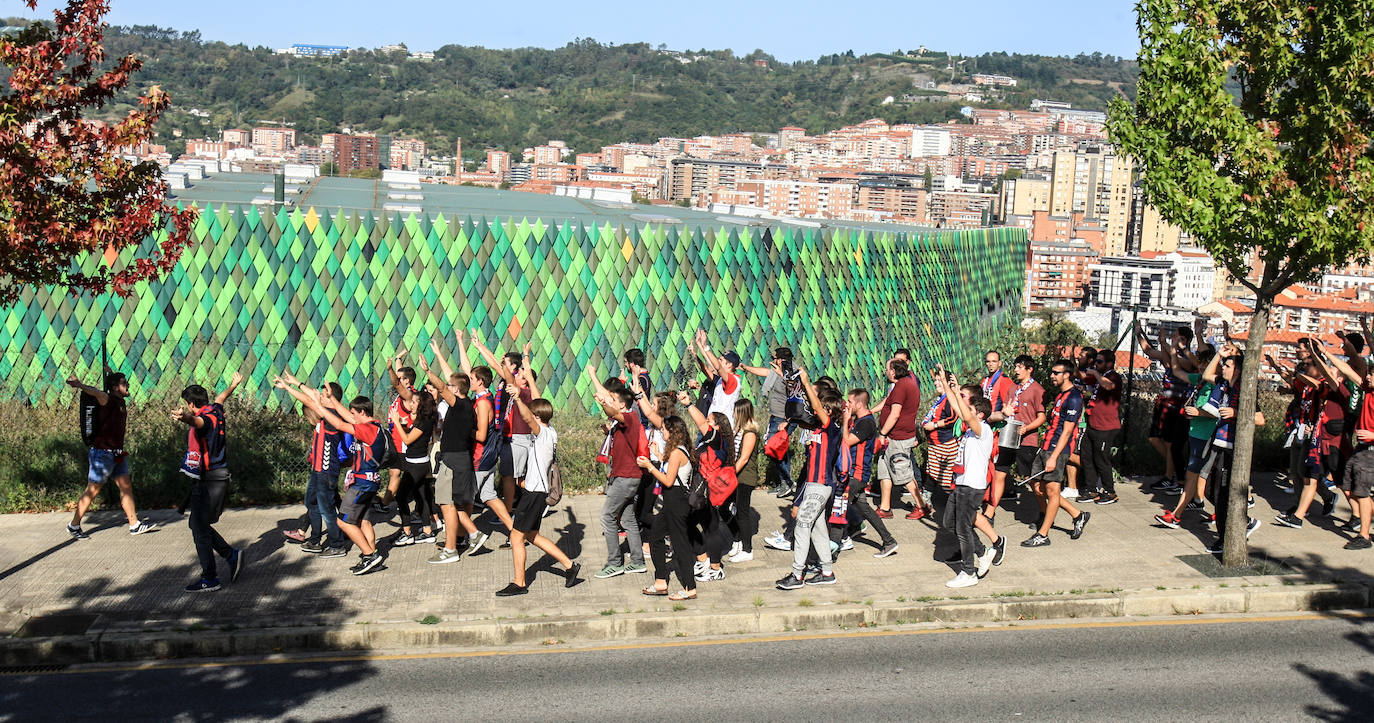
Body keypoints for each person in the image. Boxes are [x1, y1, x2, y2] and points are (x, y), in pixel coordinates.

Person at [296, 386, 389, 576]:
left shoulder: (366, 430)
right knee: (363, 520)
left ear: (362, 413)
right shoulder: (375, 426)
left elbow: (339, 424)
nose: (352, 416)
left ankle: (370, 555)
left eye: (354, 413)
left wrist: (321, 408)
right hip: (371, 482)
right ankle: (370, 555)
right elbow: (345, 416)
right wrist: (332, 401)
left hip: (362, 484)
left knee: (344, 522)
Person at [495, 394, 582, 595]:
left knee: (516, 537)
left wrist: (517, 399)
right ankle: (570, 566)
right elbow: (535, 404)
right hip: (537, 492)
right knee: (532, 535)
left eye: (532, 416)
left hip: (534, 494)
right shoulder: (551, 431)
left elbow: (527, 417)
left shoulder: (542, 432)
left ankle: (519, 583)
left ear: (537, 417)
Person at [174, 372, 244, 592]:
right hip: (212, 477)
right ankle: (230, 556)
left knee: (199, 526)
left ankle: (210, 577)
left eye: (187, 404)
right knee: (198, 524)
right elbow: (222, 397)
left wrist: (184, 418)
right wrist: (233, 385)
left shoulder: (205, 417)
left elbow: (197, 421)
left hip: (211, 478)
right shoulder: (215, 409)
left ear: (192, 404)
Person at [65, 370, 156, 538]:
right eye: (124, 383)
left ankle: (134, 524)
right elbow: (96, 391)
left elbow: (113, 383)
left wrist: (110, 372)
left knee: (126, 487)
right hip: (103, 455)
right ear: (115, 388)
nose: (128, 385)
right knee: (92, 490)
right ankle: (74, 525)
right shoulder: (107, 399)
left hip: (117, 454)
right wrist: (80, 385)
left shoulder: (119, 399)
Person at [776, 365, 842, 590]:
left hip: (820, 485)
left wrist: (805, 381)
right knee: (817, 529)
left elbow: (814, 405)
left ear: (830, 411)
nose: (816, 410)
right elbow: (799, 410)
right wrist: (788, 382)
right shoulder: (816, 427)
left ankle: (797, 575)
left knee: (802, 527)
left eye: (823, 408)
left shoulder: (830, 427)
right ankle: (827, 571)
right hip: (814, 485)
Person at [932, 365, 998, 588]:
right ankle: (984, 551)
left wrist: (958, 387)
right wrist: (947, 385)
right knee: (949, 522)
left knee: (962, 529)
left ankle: (969, 572)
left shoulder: (983, 430)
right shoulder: (970, 429)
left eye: (969, 407)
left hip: (972, 487)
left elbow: (966, 414)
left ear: (979, 414)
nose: (964, 410)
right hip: (961, 483)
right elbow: (958, 408)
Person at [449, 331, 514, 551]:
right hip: (486, 457)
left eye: (473, 379)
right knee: (488, 496)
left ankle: (468, 536)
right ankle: (515, 532)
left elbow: (482, 435)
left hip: (480, 456)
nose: (469, 379)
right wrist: (462, 342)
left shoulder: (484, 402)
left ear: (479, 382)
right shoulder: (483, 396)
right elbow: (468, 369)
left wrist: (463, 430)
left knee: (462, 500)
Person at [417, 348, 481, 564]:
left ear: (457, 390)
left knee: (447, 504)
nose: (447, 388)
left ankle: (451, 548)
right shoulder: (468, 406)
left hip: (453, 459)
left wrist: (427, 371)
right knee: (454, 503)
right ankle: (472, 535)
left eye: (452, 386)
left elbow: (442, 386)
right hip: (459, 457)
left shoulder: (460, 404)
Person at [274, 376, 349, 557]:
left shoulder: (332, 416)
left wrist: (291, 387)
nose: (319, 396)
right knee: (312, 503)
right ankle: (315, 540)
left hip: (326, 471)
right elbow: (310, 397)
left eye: (324, 394)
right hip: (317, 471)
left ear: (331, 399)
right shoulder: (324, 413)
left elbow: (309, 399)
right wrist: (292, 383)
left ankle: (337, 544)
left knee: (327, 509)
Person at [587, 364, 649, 578]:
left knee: (607, 517)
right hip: (626, 476)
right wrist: (593, 375)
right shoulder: (623, 417)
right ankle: (638, 561)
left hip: (625, 477)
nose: (610, 401)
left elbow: (611, 408)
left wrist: (606, 404)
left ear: (622, 405)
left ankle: (615, 562)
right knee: (628, 519)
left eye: (614, 401)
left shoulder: (630, 417)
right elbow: (608, 399)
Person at [1311, 339, 1373, 549]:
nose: (1368, 376)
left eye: (1372, 374)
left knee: (1362, 491)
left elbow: (1348, 370)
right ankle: (1361, 523)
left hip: (1369, 448)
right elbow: (1346, 369)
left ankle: (1364, 536)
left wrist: (1372, 435)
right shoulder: (1368, 389)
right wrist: (1324, 352)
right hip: (1361, 448)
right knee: (1349, 485)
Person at [1022, 359, 1091, 547]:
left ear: (1067, 375)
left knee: (1052, 490)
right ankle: (1077, 515)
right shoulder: (1061, 395)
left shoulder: (1074, 398)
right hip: (1045, 447)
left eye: (1056, 373)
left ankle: (1043, 533)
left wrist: (1053, 457)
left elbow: (1067, 432)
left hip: (1057, 450)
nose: (1052, 376)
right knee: (1036, 486)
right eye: (1052, 372)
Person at [1155, 346, 1224, 529]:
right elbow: (1178, 372)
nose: (1201, 368)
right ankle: (1208, 510)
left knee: (1196, 477)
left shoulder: (1217, 384)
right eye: (1200, 363)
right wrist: (1172, 353)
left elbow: (1220, 412)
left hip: (1206, 436)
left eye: (1205, 364)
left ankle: (1177, 515)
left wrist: (1199, 413)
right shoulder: (1200, 381)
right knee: (1198, 477)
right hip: (1195, 434)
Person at [472, 333, 538, 520]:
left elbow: (495, 363)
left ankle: (515, 509)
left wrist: (481, 347)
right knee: (509, 476)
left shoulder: (516, 382)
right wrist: (480, 346)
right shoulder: (507, 382)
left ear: (515, 368)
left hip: (513, 437)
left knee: (511, 477)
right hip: (505, 434)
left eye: (506, 363)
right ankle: (513, 508)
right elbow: (494, 361)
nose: (502, 365)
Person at [1205, 351, 1265, 554]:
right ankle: (1243, 521)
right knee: (1210, 491)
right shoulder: (1223, 386)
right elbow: (1206, 375)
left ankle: (1226, 537)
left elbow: (1260, 419)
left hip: (1233, 448)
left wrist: (1236, 413)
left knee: (1222, 494)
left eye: (1228, 365)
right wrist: (1219, 355)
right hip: (1219, 443)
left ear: (1238, 371)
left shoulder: (1245, 391)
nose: (1223, 368)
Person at [638, 415, 698, 601]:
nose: (661, 432)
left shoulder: (676, 453)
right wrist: (656, 455)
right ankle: (661, 581)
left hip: (676, 503)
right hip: (672, 504)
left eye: (663, 429)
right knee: (655, 536)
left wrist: (650, 466)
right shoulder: (677, 451)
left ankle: (690, 587)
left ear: (672, 432)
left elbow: (668, 480)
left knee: (680, 546)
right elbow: (671, 467)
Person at [1137, 322, 1198, 495]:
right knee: (1155, 438)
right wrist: (1139, 333)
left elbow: (1178, 363)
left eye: (1176, 335)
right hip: (1164, 401)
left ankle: (1171, 475)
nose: (1172, 338)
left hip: (1177, 403)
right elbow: (1149, 351)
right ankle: (1174, 469)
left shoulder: (1188, 359)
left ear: (1184, 339)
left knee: (1171, 443)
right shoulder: (1170, 354)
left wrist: (1165, 344)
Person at [839, 388, 899, 558]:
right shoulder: (860, 421)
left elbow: (847, 441)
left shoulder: (866, 423)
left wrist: (845, 420)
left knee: (837, 507)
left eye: (850, 402)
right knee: (865, 510)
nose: (848, 405)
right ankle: (889, 541)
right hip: (855, 473)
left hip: (857, 475)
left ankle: (841, 540)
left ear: (859, 404)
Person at [680, 403, 736, 581]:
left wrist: (689, 404)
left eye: (710, 420)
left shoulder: (717, 438)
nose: (706, 421)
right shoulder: (711, 440)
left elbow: (701, 424)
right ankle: (708, 562)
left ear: (717, 426)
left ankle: (712, 566)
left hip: (706, 490)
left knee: (703, 526)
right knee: (708, 526)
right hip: (703, 489)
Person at [988, 355, 1045, 526]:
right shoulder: (1013, 388)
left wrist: (1027, 428)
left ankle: (1043, 512)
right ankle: (990, 513)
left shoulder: (1037, 390)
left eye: (1020, 367)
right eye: (1015, 366)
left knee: (1033, 480)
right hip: (1009, 438)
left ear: (1029, 369)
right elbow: (1007, 409)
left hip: (1027, 441)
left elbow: (1041, 417)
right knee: (999, 474)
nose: (1016, 370)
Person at [739, 347, 796, 498]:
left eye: (775, 357)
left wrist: (788, 420)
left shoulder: (791, 373)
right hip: (776, 416)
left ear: (781, 359)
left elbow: (796, 395)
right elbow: (765, 372)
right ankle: (784, 482)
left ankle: (788, 482)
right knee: (775, 449)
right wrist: (746, 367)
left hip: (784, 418)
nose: (773, 360)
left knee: (775, 447)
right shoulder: (778, 371)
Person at [875, 356, 927, 519]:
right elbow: (887, 404)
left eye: (887, 368)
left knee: (903, 473)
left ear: (894, 371)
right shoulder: (903, 384)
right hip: (893, 436)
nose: (885, 372)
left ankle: (921, 505)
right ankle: (885, 507)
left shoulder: (901, 387)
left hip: (897, 437)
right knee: (884, 471)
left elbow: (895, 414)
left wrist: (883, 433)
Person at [389, 390, 439, 547]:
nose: (411, 404)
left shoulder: (424, 422)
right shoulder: (423, 420)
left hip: (416, 466)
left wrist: (396, 422)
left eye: (415, 402)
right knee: (421, 497)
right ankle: (427, 530)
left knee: (401, 497)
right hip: (419, 463)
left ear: (422, 405)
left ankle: (407, 532)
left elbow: (408, 440)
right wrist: (405, 423)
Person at [1079, 351, 1123, 504]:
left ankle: (1110, 492)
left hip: (1106, 427)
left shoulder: (1113, 376)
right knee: (1087, 456)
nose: (1096, 364)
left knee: (1101, 459)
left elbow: (1108, 386)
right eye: (1096, 361)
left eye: (1100, 362)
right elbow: (1083, 378)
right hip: (1093, 424)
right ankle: (1091, 490)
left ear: (1109, 363)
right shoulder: (1100, 377)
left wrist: (1096, 373)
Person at [981, 350, 1018, 512]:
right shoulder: (985, 380)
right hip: (986, 425)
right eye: (988, 361)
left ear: (1000, 363)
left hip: (998, 428)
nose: (990, 364)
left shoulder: (1004, 381)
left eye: (994, 361)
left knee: (997, 469)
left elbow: (1009, 406)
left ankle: (991, 507)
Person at [726, 398, 762, 563]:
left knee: (742, 513)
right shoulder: (738, 430)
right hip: (736, 476)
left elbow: (744, 458)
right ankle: (737, 539)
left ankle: (747, 549)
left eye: (735, 411)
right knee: (728, 509)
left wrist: (728, 475)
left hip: (744, 477)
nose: (733, 414)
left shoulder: (750, 433)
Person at [919, 370, 961, 506]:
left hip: (945, 444)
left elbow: (953, 419)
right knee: (932, 473)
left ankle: (959, 504)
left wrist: (935, 425)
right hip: (935, 444)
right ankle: (925, 502)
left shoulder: (949, 399)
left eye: (939, 380)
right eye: (935, 380)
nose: (936, 383)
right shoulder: (940, 399)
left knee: (947, 477)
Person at [692, 330, 744, 418]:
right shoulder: (721, 379)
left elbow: (718, 367)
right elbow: (705, 369)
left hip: (722, 424)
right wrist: (699, 345)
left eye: (721, 360)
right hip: (713, 421)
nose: (718, 361)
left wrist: (705, 346)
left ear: (729, 365)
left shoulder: (733, 380)